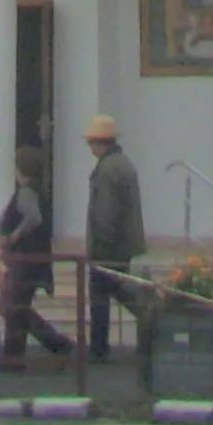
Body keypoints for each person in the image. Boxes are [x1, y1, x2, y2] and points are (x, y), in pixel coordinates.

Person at [0, 144, 70, 368]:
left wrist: (11, 238)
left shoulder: (27, 192)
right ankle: (17, 355)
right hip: (31, 259)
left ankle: (46, 347)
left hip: (24, 260)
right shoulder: (34, 190)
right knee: (16, 307)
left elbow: (32, 218)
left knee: (12, 307)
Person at [83, 113, 145, 362]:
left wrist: (100, 243)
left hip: (107, 246)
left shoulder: (107, 169)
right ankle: (149, 318)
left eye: (91, 142)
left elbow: (105, 211)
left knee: (102, 295)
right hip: (122, 244)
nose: (89, 147)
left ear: (100, 142)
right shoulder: (123, 163)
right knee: (116, 289)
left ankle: (99, 348)